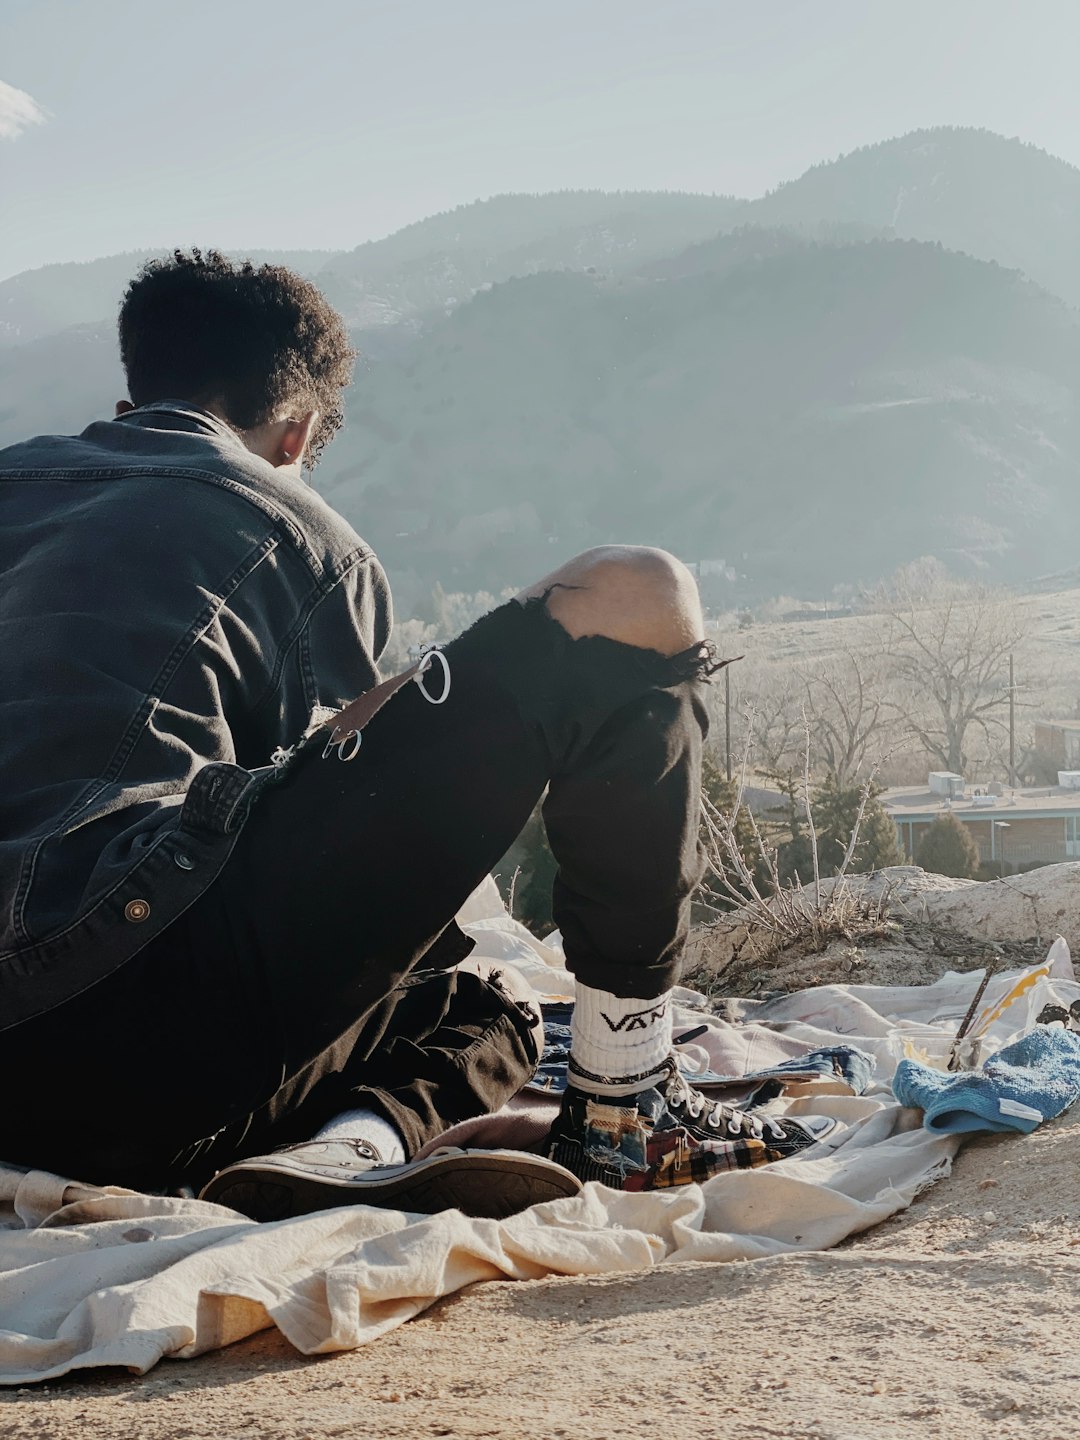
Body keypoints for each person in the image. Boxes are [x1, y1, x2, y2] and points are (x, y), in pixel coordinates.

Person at [0, 251, 832, 1222]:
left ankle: (340, 1147)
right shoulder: (285, 521)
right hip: (127, 1026)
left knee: (458, 1010)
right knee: (633, 594)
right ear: (297, 432)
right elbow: (340, 845)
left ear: (133, 395)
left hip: (67, 1098)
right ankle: (619, 1103)